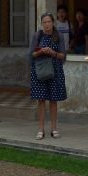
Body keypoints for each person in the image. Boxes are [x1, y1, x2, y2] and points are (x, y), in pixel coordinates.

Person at [30, 12, 67, 140]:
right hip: (40, 71)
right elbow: (31, 55)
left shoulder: (59, 36)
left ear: (53, 23)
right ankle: (40, 129)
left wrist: (53, 53)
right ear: (42, 24)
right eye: (44, 22)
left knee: (53, 100)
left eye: (49, 22)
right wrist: (41, 51)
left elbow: (63, 56)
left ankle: (54, 128)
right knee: (41, 100)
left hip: (55, 71)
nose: (47, 24)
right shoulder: (38, 35)